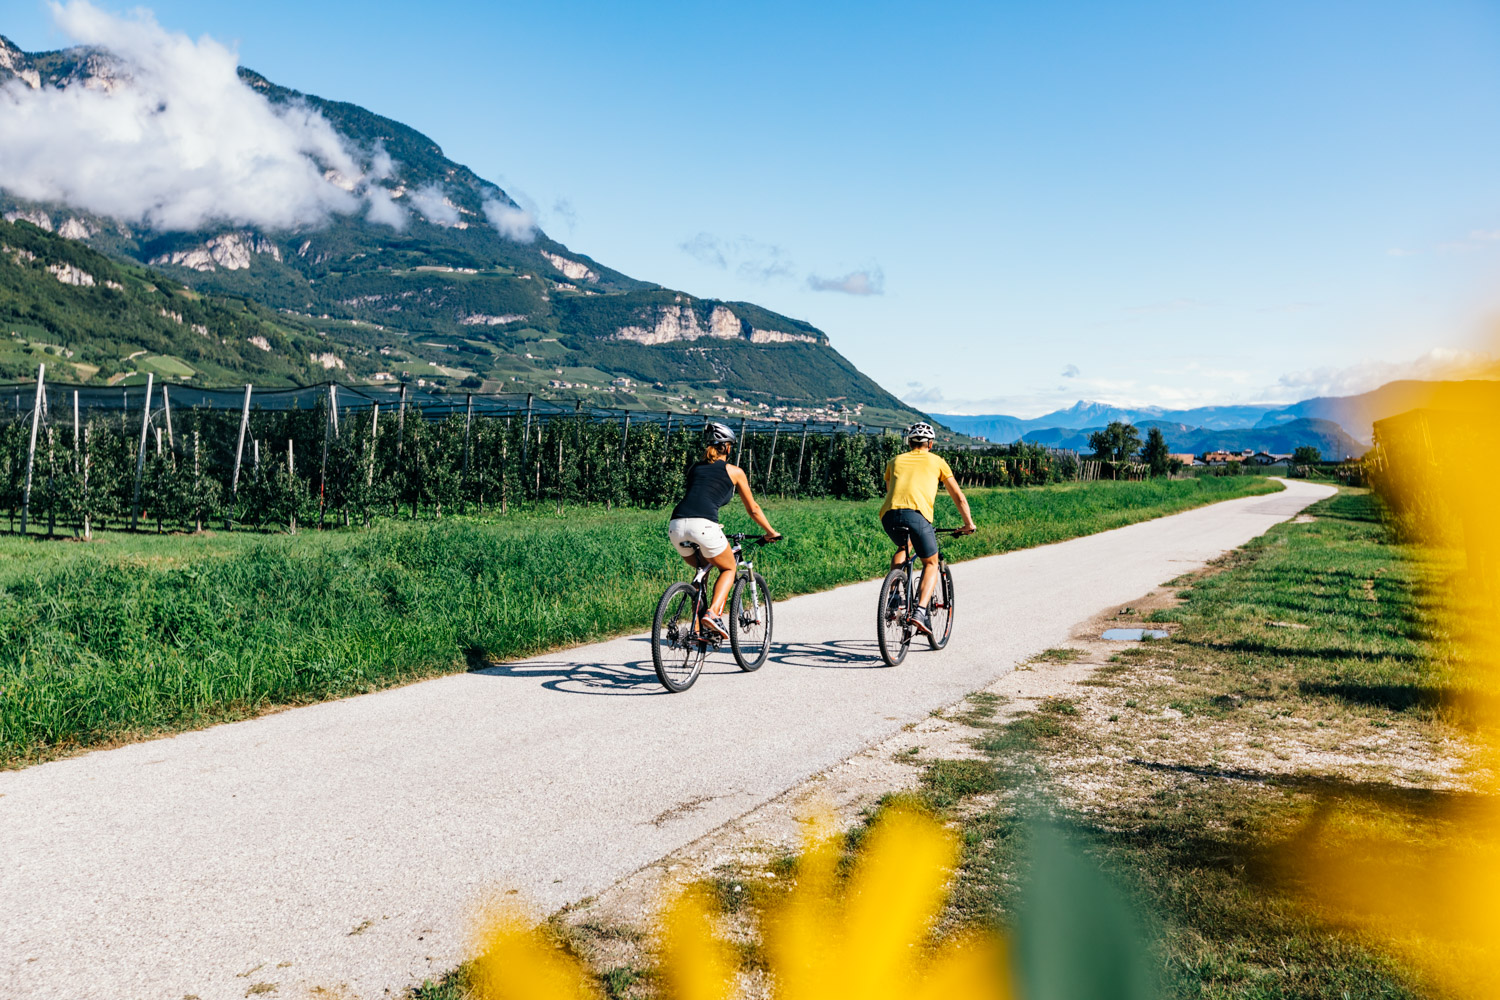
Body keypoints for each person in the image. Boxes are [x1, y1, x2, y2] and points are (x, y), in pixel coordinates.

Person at [668, 422, 781, 639]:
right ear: (727, 447)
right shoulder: (734, 471)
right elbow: (754, 509)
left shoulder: (694, 468)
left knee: (703, 573)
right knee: (729, 568)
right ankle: (713, 613)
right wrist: (771, 531)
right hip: (704, 526)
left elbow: (699, 496)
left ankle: (697, 631)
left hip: (676, 526)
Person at [879, 421, 976, 636]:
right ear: (930, 444)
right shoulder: (938, 462)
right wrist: (968, 524)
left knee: (904, 547)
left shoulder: (894, 461)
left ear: (910, 442)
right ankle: (920, 612)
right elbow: (959, 497)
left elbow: (890, 491)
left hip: (889, 515)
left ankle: (894, 596)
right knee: (931, 563)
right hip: (918, 516)